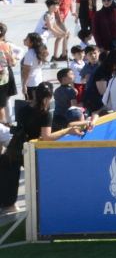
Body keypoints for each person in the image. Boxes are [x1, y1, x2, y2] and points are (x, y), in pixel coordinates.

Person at [2, 85, 92, 213]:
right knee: (44, 180)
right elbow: (47, 137)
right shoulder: (45, 114)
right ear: (47, 98)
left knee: (11, 180)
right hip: (31, 151)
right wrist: (68, 131)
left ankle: (9, 205)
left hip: (15, 148)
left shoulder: (23, 109)